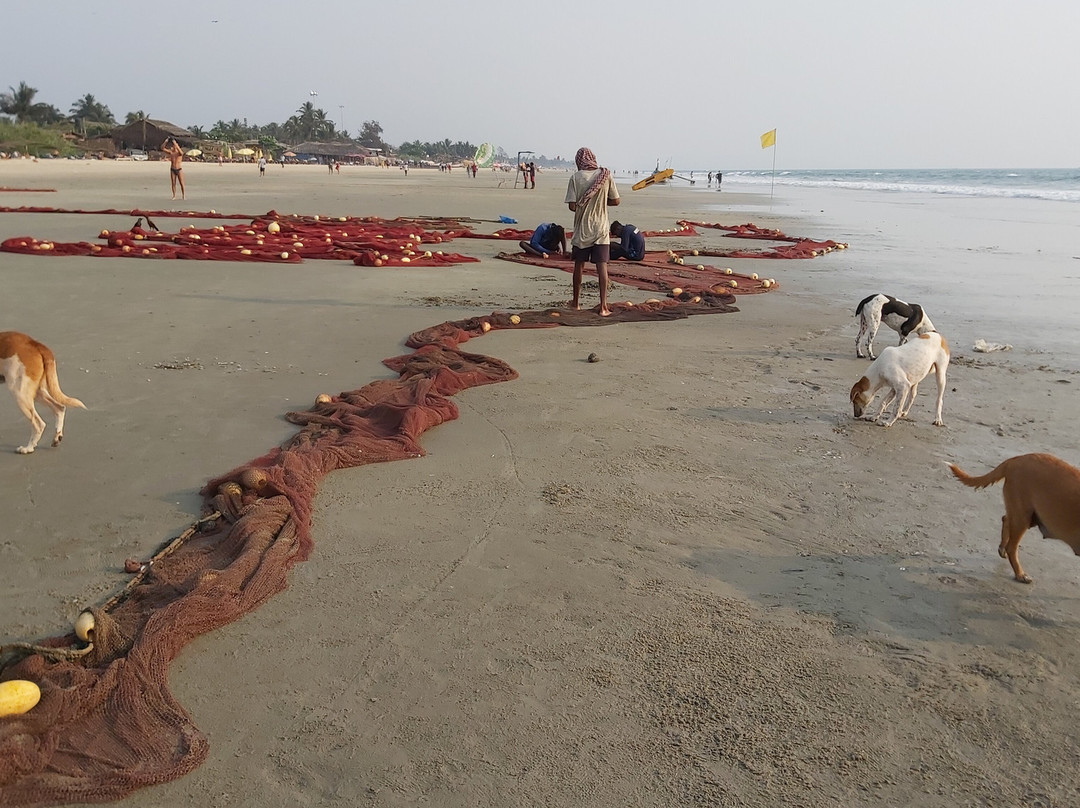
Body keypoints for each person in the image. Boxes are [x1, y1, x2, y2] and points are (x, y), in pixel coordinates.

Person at [564, 146, 620, 316]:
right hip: (601, 228)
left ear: (578, 161)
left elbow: (572, 206)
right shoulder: (605, 175)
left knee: (579, 265)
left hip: (582, 228)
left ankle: (575, 303)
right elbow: (616, 201)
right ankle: (603, 306)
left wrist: (585, 203)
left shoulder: (576, 178)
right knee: (602, 266)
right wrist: (600, 202)